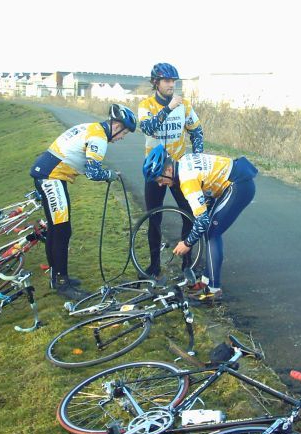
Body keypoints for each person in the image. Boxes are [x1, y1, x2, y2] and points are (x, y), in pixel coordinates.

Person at [30, 103, 137, 300]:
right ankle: (62, 284)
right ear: (116, 126)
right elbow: (93, 172)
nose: (122, 138)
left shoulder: (92, 127)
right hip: (51, 178)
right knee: (61, 231)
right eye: (124, 133)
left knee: (57, 229)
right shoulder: (99, 137)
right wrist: (110, 175)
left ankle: (57, 277)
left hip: (49, 175)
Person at [142, 146, 257, 303]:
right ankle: (205, 281)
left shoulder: (186, 180)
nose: (160, 185)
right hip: (236, 180)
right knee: (210, 230)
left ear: (168, 169)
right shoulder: (183, 161)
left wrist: (187, 243)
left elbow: (202, 221)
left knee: (212, 232)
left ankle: (213, 289)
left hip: (238, 186)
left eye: (160, 180)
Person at [138, 62, 204, 279]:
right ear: (156, 83)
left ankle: (188, 264)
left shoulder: (184, 104)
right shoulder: (146, 105)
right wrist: (168, 109)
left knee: (188, 214)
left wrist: (197, 157)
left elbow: (197, 131)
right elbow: (148, 128)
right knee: (154, 218)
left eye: (174, 81)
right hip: (156, 170)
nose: (171, 85)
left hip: (179, 169)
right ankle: (154, 266)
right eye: (167, 81)